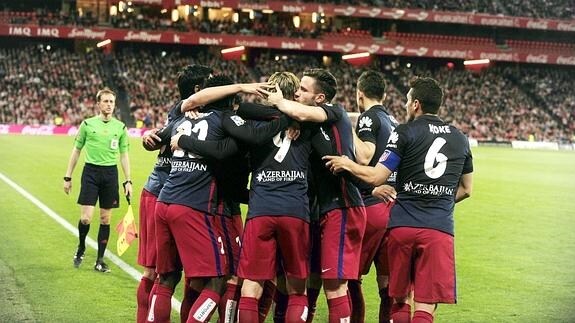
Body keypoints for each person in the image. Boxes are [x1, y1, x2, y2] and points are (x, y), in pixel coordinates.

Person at [324, 76, 473, 323]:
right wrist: (438, 199)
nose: (405, 106)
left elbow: (377, 176)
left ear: (415, 104)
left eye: (406, 101)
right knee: (424, 305)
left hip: (402, 224)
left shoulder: (404, 132)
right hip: (438, 228)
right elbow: (467, 189)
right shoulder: (460, 138)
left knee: (400, 298)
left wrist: (348, 164)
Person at [262, 68, 367, 323]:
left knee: (335, 287)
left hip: (342, 207)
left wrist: (280, 102)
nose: (297, 92)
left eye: (304, 89)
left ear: (320, 98)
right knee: (307, 280)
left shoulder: (335, 111)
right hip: (319, 212)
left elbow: (300, 111)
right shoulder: (307, 124)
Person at [136, 64, 213, 323]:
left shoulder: (201, 114)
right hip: (162, 193)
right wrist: (151, 138)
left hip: (176, 197)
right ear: (197, 90)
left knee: (187, 274)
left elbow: (156, 139)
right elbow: (156, 141)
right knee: (158, 272)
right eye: (210, 83)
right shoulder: (181, 111)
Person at [348, 70, 399, 323]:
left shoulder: (368, 118)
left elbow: (366, 155)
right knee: (388, 284)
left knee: (349, 277)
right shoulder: (394, 121)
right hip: (393, 208)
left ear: (359, 94)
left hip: (370, 207)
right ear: (385, 94)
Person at [63, 87, 132, 273]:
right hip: (91, 173)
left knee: (105, 219)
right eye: (106, 101)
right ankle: (81, 247)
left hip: (110, 175)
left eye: (111, 102)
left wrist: (128, 181)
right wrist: (68, 177)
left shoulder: (121, 127)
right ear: (98, 104)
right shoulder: (87, 124)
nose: (109, 105)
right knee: (85, 218)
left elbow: (124, 155)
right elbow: (76, 150)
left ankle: (100, 260)